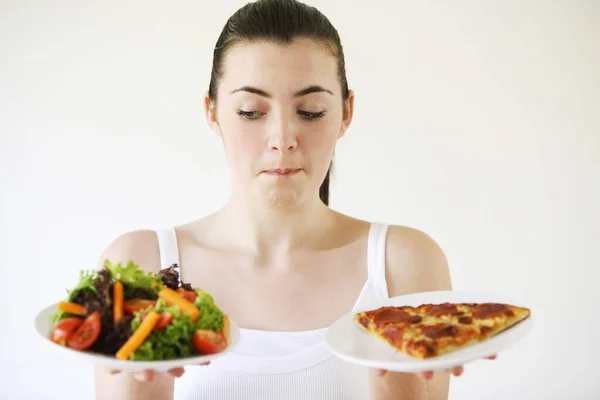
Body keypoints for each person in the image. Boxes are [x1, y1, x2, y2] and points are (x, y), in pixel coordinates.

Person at [94, 0, 496, 399]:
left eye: (311, 111)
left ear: (345, 113)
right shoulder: (140, 267)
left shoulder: (403, 264)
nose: (282, 138)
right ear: (213, 112)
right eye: (251, 111)